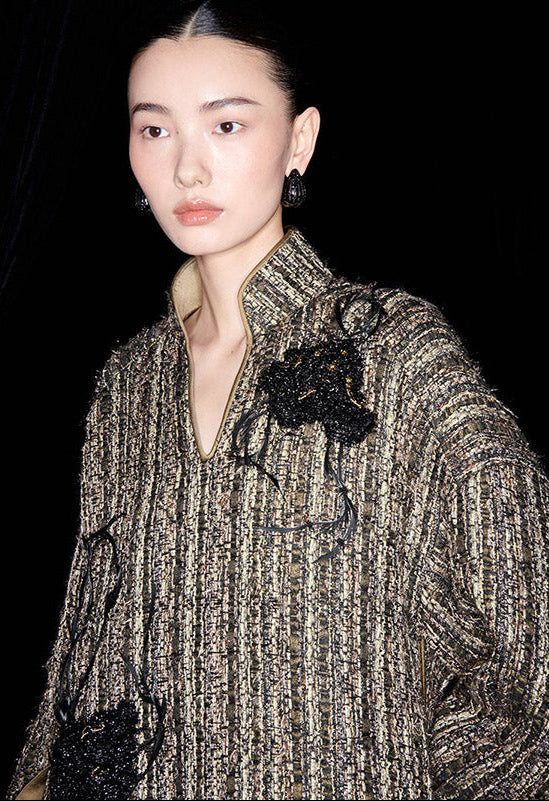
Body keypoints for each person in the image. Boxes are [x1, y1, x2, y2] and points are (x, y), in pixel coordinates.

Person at [9, 1, 549, 798]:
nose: (186, 169)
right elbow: (92, 648)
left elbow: (524, 652)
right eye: (154, 129)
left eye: (225, 125)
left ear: (299, 139)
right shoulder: (127, 384)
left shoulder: (393, 351)